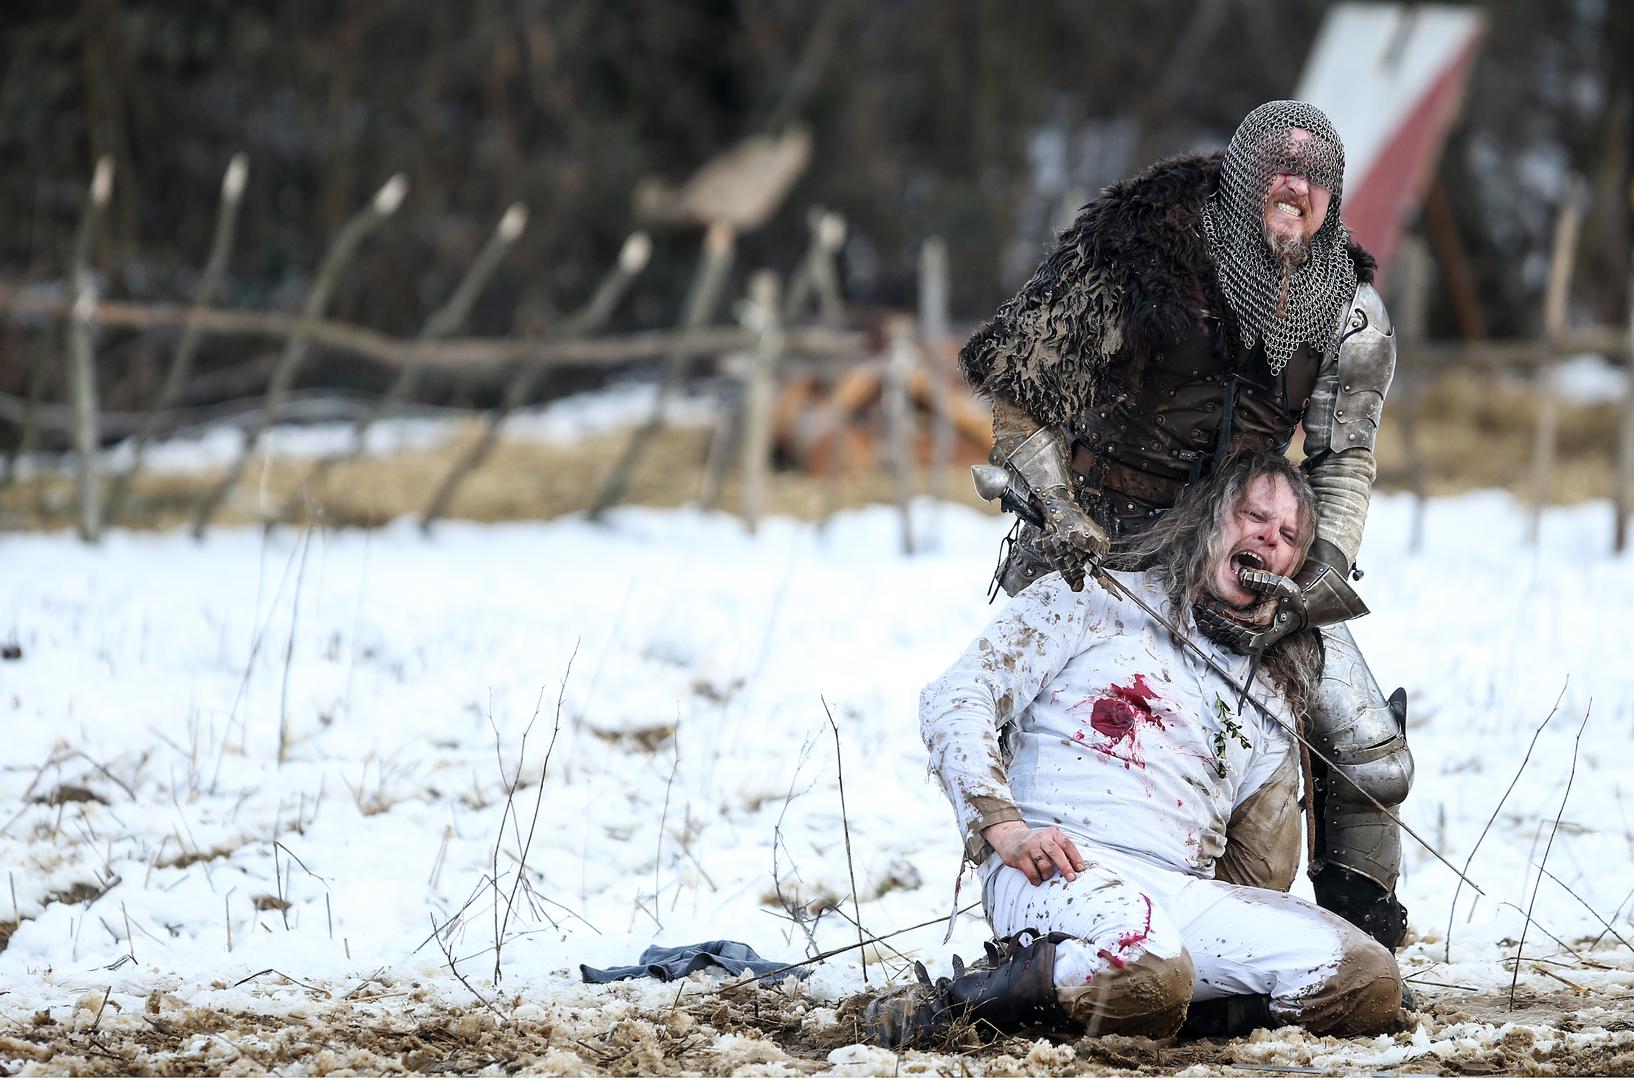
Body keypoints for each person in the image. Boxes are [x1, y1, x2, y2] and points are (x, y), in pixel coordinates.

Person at [958, 100, 1410, 946]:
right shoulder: (1139, 255)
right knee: (1049, 727)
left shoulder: (1346, 312)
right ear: (1243, 177)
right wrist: (1059, 512)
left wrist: (1321, 571)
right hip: (1105, 532)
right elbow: (1019, 394)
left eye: (1313, 176)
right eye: (1277, 166)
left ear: (1332, 196)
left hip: (1243, 548)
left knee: (1369, 753)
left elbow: (1342, 460)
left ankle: (1364, 945)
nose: (1294, 184)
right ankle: (1038, 921)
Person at [866, 452, 1403, 1046]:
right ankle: (955, 1004)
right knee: (1145, 967)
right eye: (1253, 515)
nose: (1267, 538)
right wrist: (1007, 831)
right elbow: (956, 697)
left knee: (1366, 977)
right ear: (1209, 519)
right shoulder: (1091, 598)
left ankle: (1162, 1008)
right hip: (1056, 866)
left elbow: (1260, 869)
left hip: (1181, 894)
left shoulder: (1272, 687)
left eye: (1288, 536)